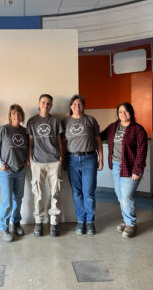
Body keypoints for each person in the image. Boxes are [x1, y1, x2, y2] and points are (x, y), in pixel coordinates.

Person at [101, 102, 147, 238]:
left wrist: (137, 170)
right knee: (120, 195)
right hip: (115, 166)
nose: (123, 114)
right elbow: (101, 135)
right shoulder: (113, 127)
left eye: (126, 111)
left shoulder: (138, 129)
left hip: (131, 167)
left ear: (131, 113)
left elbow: (142, 151)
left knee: (127, 196)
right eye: (120, 111)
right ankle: (126, 220)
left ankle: (131, 224)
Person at [62, 94, 103, 235]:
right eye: (74, 104)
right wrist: (62, 159)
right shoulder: (65, 122)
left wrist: (101, 159)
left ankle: (90, 222)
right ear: (70, 106)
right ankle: (81, 220)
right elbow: (62, 143)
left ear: (83, 106)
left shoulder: (91, 120)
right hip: (72, 160)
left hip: (89, 159)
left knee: (89, 193)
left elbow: (98, 140)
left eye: (79, 104)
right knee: (76, 192)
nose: (76, 106)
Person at [26, 94, 63, 237]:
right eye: (43, 102)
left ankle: (54, 223)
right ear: (39, 104)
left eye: (48, 103)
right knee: (38, 194)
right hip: (37, 162)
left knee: (55, 192)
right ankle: (39, 222)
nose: (45, 105)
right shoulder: (32, 121)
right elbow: (30, 142)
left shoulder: (55, 121)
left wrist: (61, 157)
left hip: (54, 161)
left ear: (51, 105)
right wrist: (30, 159)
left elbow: (60, 140)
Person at [0, 104, 28, 242]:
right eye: (13, 114)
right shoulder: (3, 129)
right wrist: (0, 165)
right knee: (7, 201)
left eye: (19, 113)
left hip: (20, 170)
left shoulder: (25, 131)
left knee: (18, 199)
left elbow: (29, 148)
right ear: (10, 115)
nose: (16, 116)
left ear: (22, 116)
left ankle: (16, 224)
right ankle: (3, 228)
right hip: (6, 172)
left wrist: (27, 162)